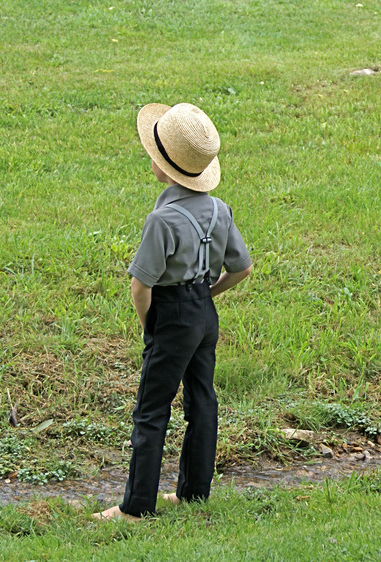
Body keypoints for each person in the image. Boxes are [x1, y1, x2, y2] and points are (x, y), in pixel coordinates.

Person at [95, 103, 253, 520]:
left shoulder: (162, 219)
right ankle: (193, 493)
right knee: (202, 402)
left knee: (152, 409)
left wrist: (152, 325)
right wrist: (207, 296)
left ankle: (135, 507)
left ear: (163, 166)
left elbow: (140, 285)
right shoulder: (220, 210)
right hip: (204, 312)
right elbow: (243, 268)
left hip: (171, 314)